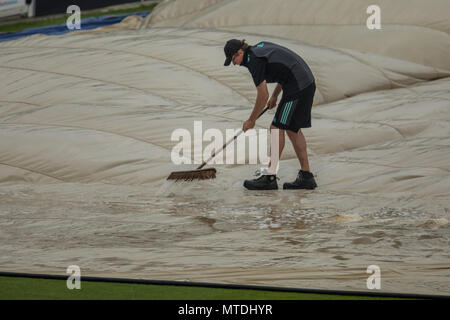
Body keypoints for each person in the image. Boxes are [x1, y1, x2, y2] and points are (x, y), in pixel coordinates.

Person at [223, 39, 317, 190]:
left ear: (240, 52)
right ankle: (307, 177)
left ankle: (270, 177)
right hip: (305, 82)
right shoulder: (259, 48)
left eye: (233, 59)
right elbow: (285, 67)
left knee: (275, 128)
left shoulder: (253, 61)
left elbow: (262, 95)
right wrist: (275, 96)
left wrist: (251, 120)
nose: (235, 63)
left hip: (297, 87)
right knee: (292, 129)